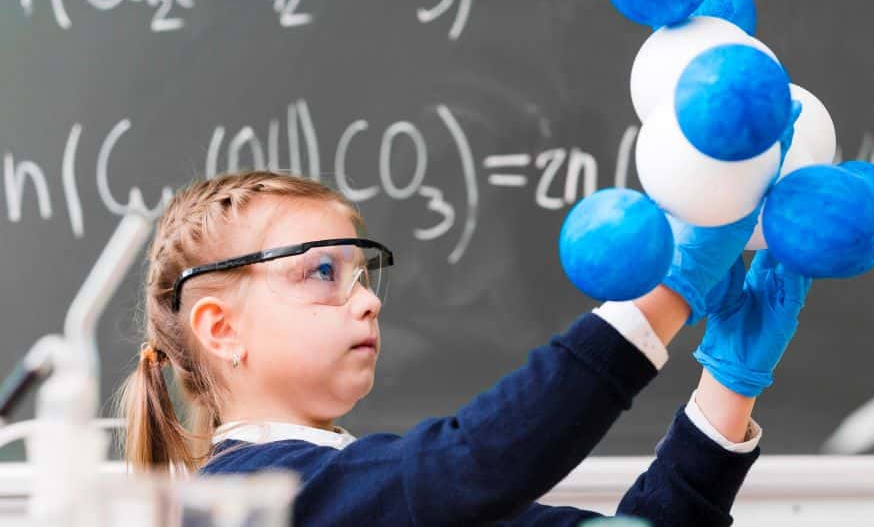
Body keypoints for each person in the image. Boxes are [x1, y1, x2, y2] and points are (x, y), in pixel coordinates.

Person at [118, 171, 810, 526]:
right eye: (322, 272)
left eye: (363, 275)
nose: (368, 299)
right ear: (220, 329)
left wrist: (728, 386)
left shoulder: (362, 490)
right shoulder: (249, 498)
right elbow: (477, 462)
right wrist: (670, 289)